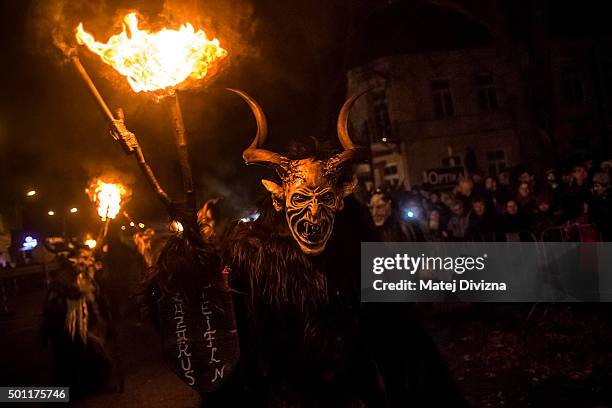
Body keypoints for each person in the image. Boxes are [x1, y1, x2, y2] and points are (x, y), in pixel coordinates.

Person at [148, 91, 468, 407]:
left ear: (341, 197)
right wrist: (186, 266)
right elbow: (204, 320)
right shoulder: (251, 255)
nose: (313, 213)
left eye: (324, 199)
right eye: (301, 199)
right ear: (279, 198)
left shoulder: (360, 255)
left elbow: (403, 343)